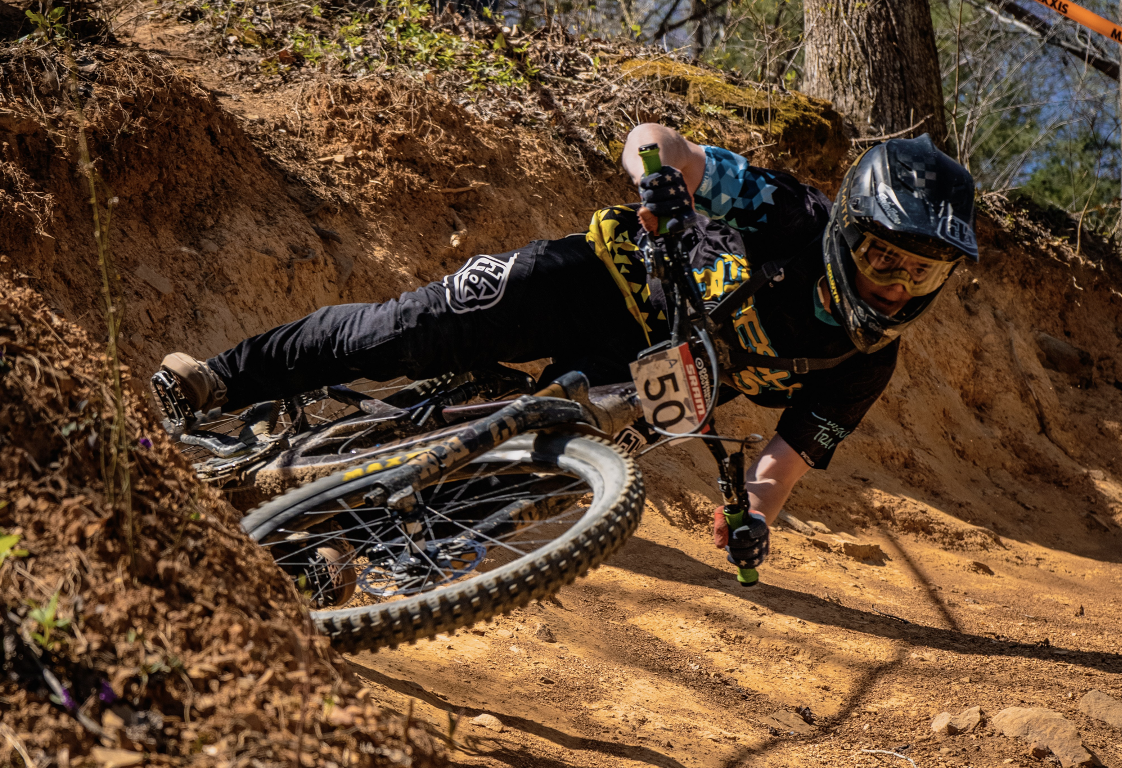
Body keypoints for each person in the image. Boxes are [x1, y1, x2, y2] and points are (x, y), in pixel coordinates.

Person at [157, 124, 978, 569]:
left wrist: (755, 521)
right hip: (598, 281)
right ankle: (218, 382)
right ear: (848, 232)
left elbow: (785, 459)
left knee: (529, 485)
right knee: (402, 329)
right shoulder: (789, 214)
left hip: (659, 384)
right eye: (884, 258)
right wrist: (657, 179)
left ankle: (339, 553)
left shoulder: (869, 361)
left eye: (923, 271)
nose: (896, 285)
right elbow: (657, 136)